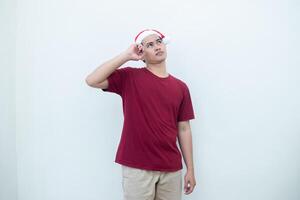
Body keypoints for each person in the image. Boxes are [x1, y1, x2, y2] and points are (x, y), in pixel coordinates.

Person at [85, 29, 196, 200]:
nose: (157, 47)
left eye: (159, 42)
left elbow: (184, 129)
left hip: (171, 168)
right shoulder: (130, 77)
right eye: (150, 45)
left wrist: (190, 169)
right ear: (142, 53)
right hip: (138, 167)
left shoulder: (181, 87)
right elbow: (92, 80)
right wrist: (126, 56)